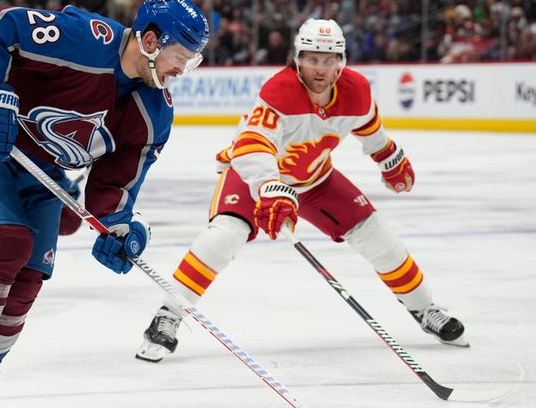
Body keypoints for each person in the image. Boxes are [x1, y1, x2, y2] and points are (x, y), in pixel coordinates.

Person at [135, 18, 467, 363]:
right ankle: (169, 314)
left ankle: (424, 309)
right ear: (297, 59)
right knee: (225, 235)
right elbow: (251, 145)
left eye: (328, 60)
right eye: (311, 59)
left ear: (341, 61)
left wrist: (388, 157)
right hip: (253, 175)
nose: (320, 68)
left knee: (376, 234)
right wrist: (270, 186)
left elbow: (370, 129)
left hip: (314, 180)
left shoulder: (356, 90)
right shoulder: (280, 91)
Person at [0, 0, 208, 408]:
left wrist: (118, 225)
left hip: (44, 174)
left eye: (192, 61)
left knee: (30, 276)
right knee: (8, 243)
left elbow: (115, 185)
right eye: (181, 56)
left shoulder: (153, 112)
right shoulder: (83, 41)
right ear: (150, 41)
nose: (182, 69)